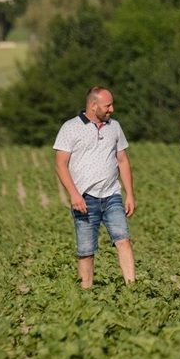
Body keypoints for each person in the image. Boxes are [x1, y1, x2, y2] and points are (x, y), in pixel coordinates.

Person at [53, 86, 136, 288]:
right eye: (107, 105)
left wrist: (130, 194)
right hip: (84, 198)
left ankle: (133, 289)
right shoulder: (70, 128)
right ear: (93, 105)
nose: (112, 109)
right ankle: (86, 295)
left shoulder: (114, 127)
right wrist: (74, 195)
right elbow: (60, 164)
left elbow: (123, 161)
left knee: (123, 240)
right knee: (86, 250)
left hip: (112, 194)